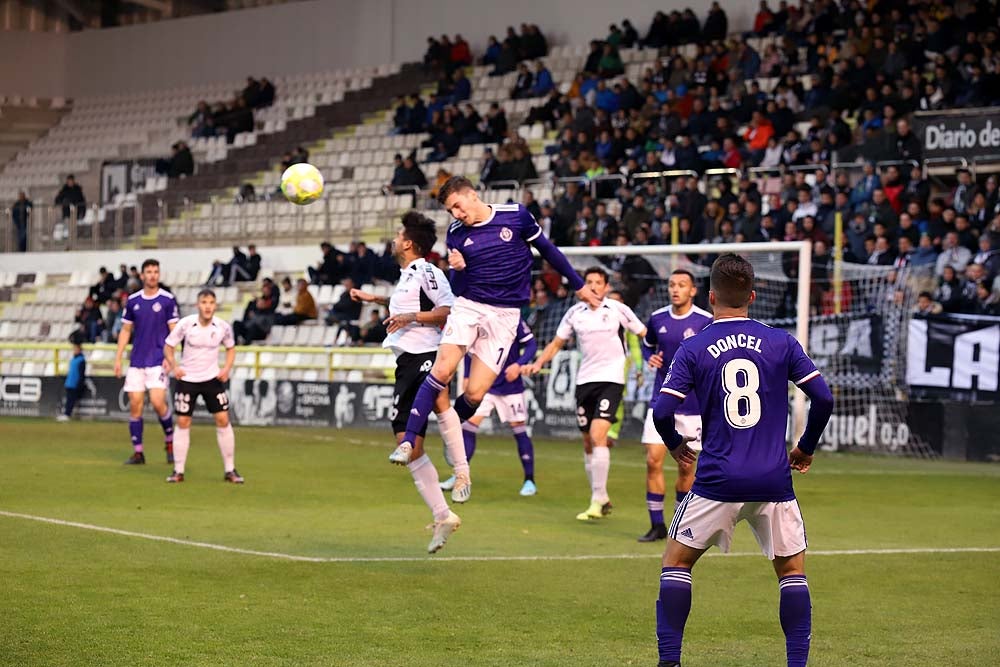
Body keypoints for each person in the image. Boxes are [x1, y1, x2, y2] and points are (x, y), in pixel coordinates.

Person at [651, 253, 834, 667]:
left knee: (676, 562)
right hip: (774, 481)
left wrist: (676, 444)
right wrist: (805, 447)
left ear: (711, 296)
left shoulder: (693, 346)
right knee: (791, 574)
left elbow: (662, 411)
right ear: (752, 295)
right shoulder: (781, 341)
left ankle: (669, 662)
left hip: (717, 480)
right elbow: (823, 398)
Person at [392, 176, 599, 489]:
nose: (457, 214)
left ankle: (450, 429)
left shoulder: (515, 216)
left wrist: (578, 283)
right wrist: (458, 270)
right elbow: (459, 288)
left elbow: (548, 250)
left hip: (505, 316)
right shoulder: (456, 233)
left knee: (474, 394)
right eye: (450, 211)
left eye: (458, 206)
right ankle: (408, 440)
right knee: (443, 370)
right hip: (469, 306)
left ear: (472, 195)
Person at [348, 211, 468, 552]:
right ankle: (443, 514)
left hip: (426, 352)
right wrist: (374, 299)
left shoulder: (427, 270)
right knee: (408, 441)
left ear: (409, 243)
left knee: (439, 402)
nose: (394, 239)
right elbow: (409, 304)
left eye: (398, 235)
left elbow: (448, 308)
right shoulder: (407, 275)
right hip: (407, 360)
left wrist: (410, 317)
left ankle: (462, 471)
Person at [523, 267, 646, 521]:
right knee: (588, 442)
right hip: (584, 381)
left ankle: (596, 500)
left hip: (611, 380)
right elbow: (557, 343)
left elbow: (644, 334)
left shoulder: (617, 310)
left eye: (597, 282)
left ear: (605, 286)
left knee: (598, 434)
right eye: (588, 282)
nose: (592, 286)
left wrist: (658, 353)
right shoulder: (574, 312)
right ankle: (601, 497)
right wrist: (538, 363)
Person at [637, 270, 713, 543]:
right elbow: (647, 345)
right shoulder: (658, 318)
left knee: (686, 468)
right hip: (661, 403)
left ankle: (681, 525)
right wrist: (651, 358)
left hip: (693, 407)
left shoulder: (706, 321)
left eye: (682, 285)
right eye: (671, 285)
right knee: (652, 460)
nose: (675, 289)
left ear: (693, 291)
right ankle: (657, 524)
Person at [441, 318, 539, 497]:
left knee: (519, 429)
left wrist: (518, 365)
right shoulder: (481, 317)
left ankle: (529, 480)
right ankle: (459, 476)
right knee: (468, 426)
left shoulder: (514, 318)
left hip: (511, 387)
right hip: (485, 385)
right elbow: (472, 350)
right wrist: (468, 375)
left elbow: (532, 345)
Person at [162, 289, 243, 484]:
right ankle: (178, 471)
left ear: (215, 305)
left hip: (212, 379)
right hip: (188, 379)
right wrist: (175, 366)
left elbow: (231, 348)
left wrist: (227, 368)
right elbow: (168, 346)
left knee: (223, 419)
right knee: (183, 422)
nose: (208, 306)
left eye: (211, 303)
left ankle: (230, 470)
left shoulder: (223, 326)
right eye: (204, 302)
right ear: (198, 305)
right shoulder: (186, 324)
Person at [114, 259, 179, 465]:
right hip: (137, 361)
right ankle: (138, 452)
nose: (152, 275)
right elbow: (125, 330)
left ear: (159, 275)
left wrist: (171, 359)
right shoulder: (133, 301)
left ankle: (169, 441)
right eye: (149, 272)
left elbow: (175, 332)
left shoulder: (168, 300)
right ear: (142, 275)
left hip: (158, 360)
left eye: (155, 271)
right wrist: (118, 358)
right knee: (135, 405)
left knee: (159, 402)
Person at [58, 332, 87, 422]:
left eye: (75, 349)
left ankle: (67, 414)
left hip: (75, 383)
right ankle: (66, 413)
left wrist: (79, 384)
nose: (74, 350)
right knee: (68, 399)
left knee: (71, 400)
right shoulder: (74, 359)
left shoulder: (81, 360)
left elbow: (81, 374)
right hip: (69, 383)